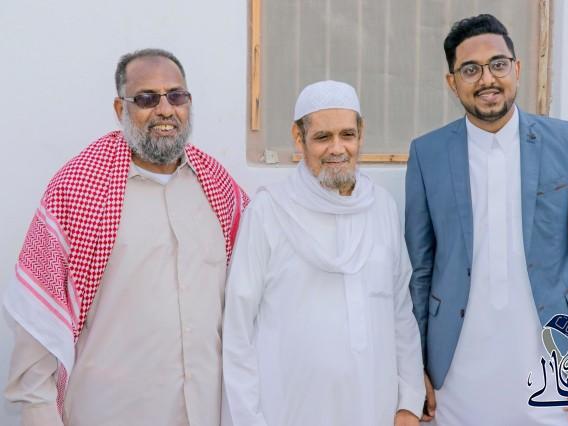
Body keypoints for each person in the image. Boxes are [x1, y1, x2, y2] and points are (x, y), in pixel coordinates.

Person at [4, 48, 249, 426]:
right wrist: (40, 413)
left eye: (176, 96)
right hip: (112, 412)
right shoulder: (78, 190)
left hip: (206, 410)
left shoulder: (218, 188)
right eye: (147, 99)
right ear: (121, 109)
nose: (165, 110)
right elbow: (39, 321)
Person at [405, 14, 568, 425]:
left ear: (517, 69)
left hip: (554, 368)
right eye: (470, 69)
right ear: (452, 82)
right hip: (456, 375)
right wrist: (413, 370)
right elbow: (421, 272)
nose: (487, 79)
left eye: (498, 64)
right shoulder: (427, 155)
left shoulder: (567, 143)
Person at [223, 80, 425, 426]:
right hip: (289, 409)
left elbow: (400, 312)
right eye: (322, 137)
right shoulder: (269, 211)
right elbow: (238, 329)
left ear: (361, 134)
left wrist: (408, 401)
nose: (337, 148)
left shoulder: (382, 208)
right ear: (298, 137)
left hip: (373, 405)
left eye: (347, 135)